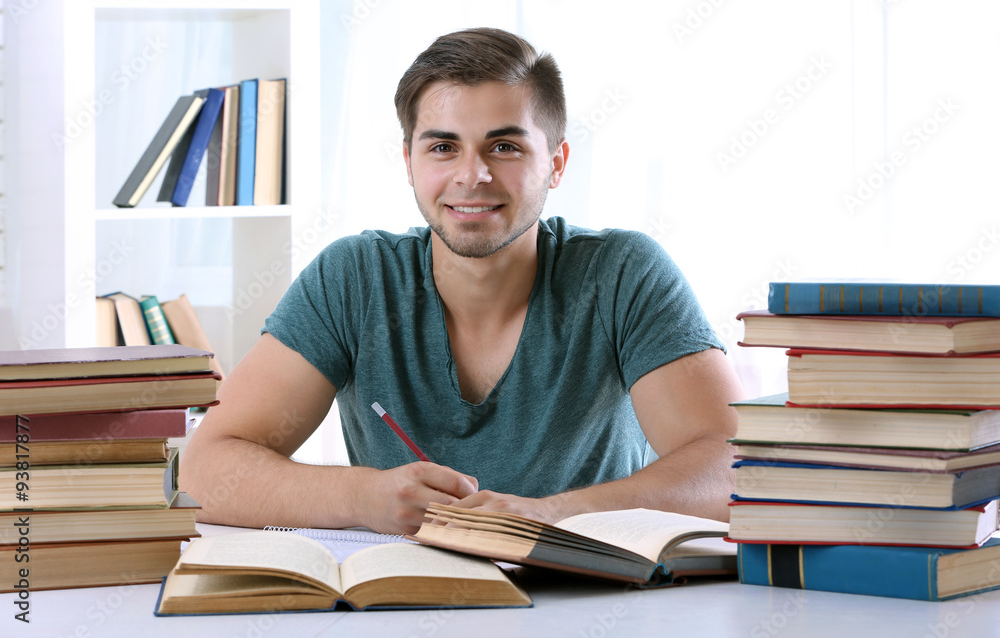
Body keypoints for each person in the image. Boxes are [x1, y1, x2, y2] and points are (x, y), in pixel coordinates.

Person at [180, 27, 745, 535]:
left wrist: (549, 514)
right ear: (408, 161)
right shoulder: (353, 278)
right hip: (403, 601)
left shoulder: (623, 273)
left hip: (592, 605)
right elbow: (206, 468)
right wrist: (361, 496)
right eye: (443, 147)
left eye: (504, 147)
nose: (471, 176)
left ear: (557, 161)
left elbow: (735, 464)